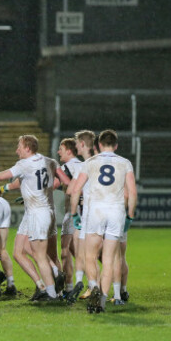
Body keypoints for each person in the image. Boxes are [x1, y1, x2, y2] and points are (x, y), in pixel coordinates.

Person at [0, 135, 60, 301]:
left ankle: (52, 293)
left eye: (19, 146)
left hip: (38, 212)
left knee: (39, 255)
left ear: (27, 147)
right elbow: (57, 179)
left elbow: (4, 175)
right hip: (36, 211)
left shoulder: (24, 164)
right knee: (18, 252)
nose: (16, 150)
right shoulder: (48, 160)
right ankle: (43, 284)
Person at [69, 129, 137, 313]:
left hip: (96, 212)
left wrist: (74, 213)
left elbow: (75, 190)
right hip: (115, 212)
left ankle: (94, 287)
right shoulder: (125, 163)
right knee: (109, 260)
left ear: (99, 145)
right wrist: (129, 216)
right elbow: (132, 193)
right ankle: (103, 302)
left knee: (89, 256)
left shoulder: (90, 162)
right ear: (116, 145)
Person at [66, 130, 96, 302]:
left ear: (83, 144)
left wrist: (73, 213)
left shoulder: (84, 166)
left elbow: (72, 190)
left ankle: (89, 285)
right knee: (109, 254)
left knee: (85, 251)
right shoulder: (103, 162)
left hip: (88, 213)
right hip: (110, 211)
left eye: (77, 143)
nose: (75, 145)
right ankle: (118, 291)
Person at [57, 138, 83, 297]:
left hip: (73, 213)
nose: (59, 152)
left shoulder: (66, 167)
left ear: (68, 151)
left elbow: (54, 184)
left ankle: (68, 288)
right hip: (87, 212)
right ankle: (98, 284)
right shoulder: (84, 165)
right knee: (78, 251)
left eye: (61, 149)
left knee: (65, 252)